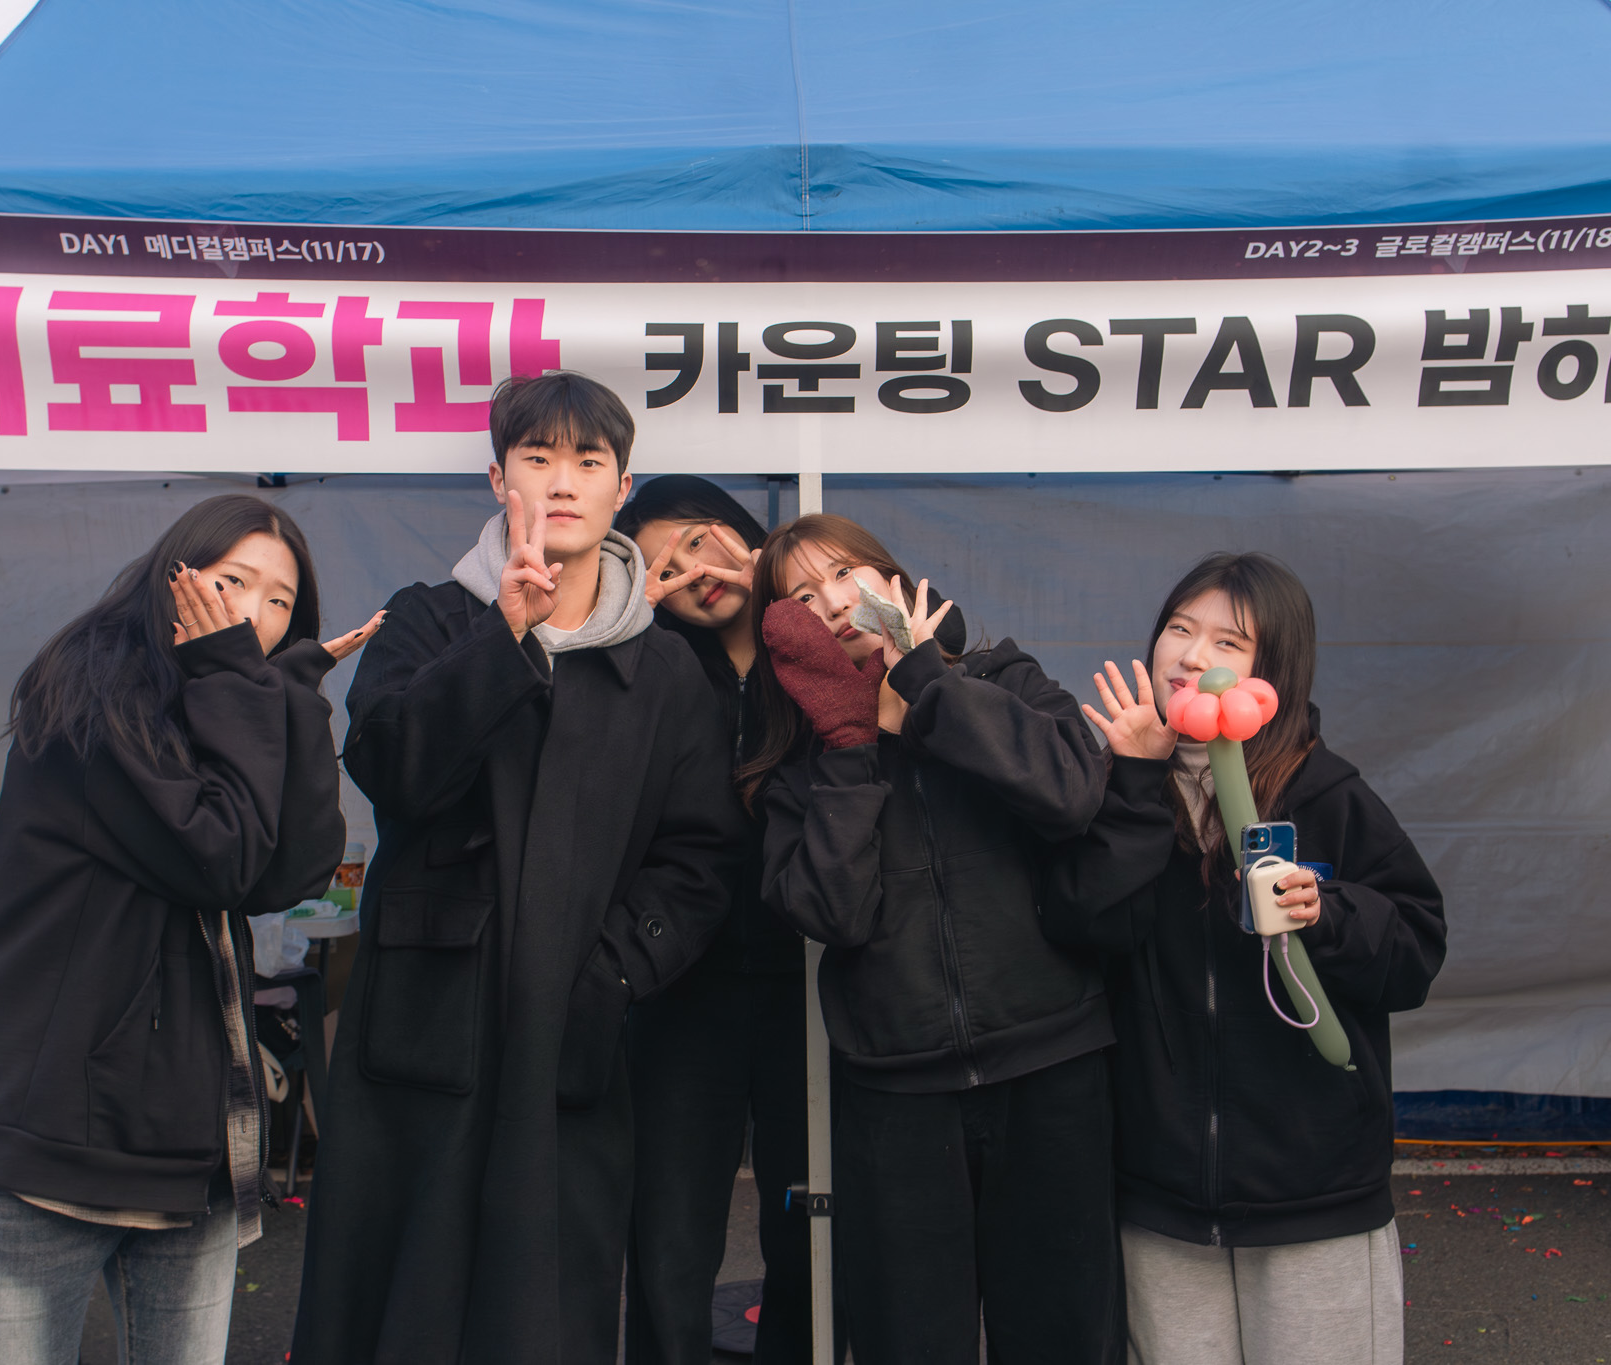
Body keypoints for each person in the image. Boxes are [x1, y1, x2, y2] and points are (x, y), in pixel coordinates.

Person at [292, 373, 745, 1365]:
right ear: (499, 480)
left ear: (622, 487)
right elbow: (390, 768)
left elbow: (700, 856)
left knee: (546, 1312)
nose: (562, 482)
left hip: (570, 1037)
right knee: (397, 1306)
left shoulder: (665, 667)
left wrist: (613, 973)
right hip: (421, 1031)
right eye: (537, 458)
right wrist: (503, 636)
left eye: (588, 461)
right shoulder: (430, 618)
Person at [0, 494, 382, 1365]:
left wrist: (295, 698)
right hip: (52, 1147)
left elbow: (288, 873)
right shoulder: (94, 697)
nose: (254, 614)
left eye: (281, 600)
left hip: (191, 1143)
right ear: (173, 577)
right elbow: (222, 856)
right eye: (234, 581)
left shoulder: (227, 701)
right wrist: (245, 685)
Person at [1043, 552, 1446, 1365]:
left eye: (1228, 641)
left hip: (1313, 1191)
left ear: (1274, 670)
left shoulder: (1324, 792)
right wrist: (1134, 780)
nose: (1192, 656)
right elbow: (1082, 926)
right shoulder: (1111, 789)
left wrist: (1328, 912)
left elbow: (1415, 949)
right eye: (1179, 629)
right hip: (1157, 1194)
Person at [747, 513, 1120, 1365]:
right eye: (802, 596)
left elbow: (1072, 789)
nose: (831, 602)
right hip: (896, 1093)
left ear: (891, 577)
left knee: (1064, 1334)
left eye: (845, 573)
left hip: (1052, 1066)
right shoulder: (803, 766)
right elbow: (833, 914)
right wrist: (848, 748)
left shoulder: (999, 676)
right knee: (910, 1340)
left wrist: (927, 685)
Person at [614, 476, 812, 1365]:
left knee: (807, 1220)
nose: (695, 569)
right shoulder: (649, 667)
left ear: (747, 534)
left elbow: (932, 637)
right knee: (669, 1229)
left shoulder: (812, 644)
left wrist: (789, 597)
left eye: (701, 539)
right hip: (680, 988)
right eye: (664, 562)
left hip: (809, 980)